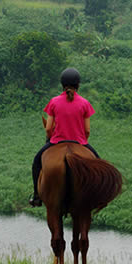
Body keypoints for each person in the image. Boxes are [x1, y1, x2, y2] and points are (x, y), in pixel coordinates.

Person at [29, 68, 98, 207]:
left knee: (36, 162)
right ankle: (96, 196)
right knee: (98, 163)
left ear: (62, 84)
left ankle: (37, 196)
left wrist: (51, 139)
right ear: (78, 85)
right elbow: (87, 130)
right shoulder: (85, 103)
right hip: (80, 142)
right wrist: (82, 140)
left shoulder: (54, 102)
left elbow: (48, 128)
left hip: (57, 140)